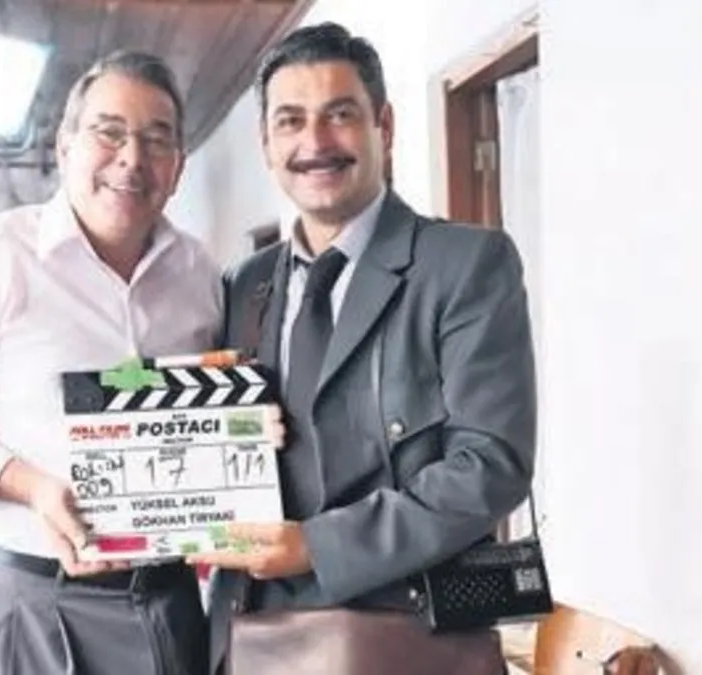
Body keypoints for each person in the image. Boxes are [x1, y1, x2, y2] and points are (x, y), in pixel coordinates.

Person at [189, 22, 536, 675]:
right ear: (266, 144)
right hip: (254, 640)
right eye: (290, 121)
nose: (315, 142)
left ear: (384, 126)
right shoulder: (244, 285)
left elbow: (491, 464)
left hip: (411, 642)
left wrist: (315, 546)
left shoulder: (465, 264)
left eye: (340, 114)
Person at [0, 51, 218, 675]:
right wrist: (29, 485)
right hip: (32, 600)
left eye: (156, 139)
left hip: (171, 600)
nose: (132, 158)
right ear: (65, 146)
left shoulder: (201, 274)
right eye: (109, 132)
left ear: (179, 166)